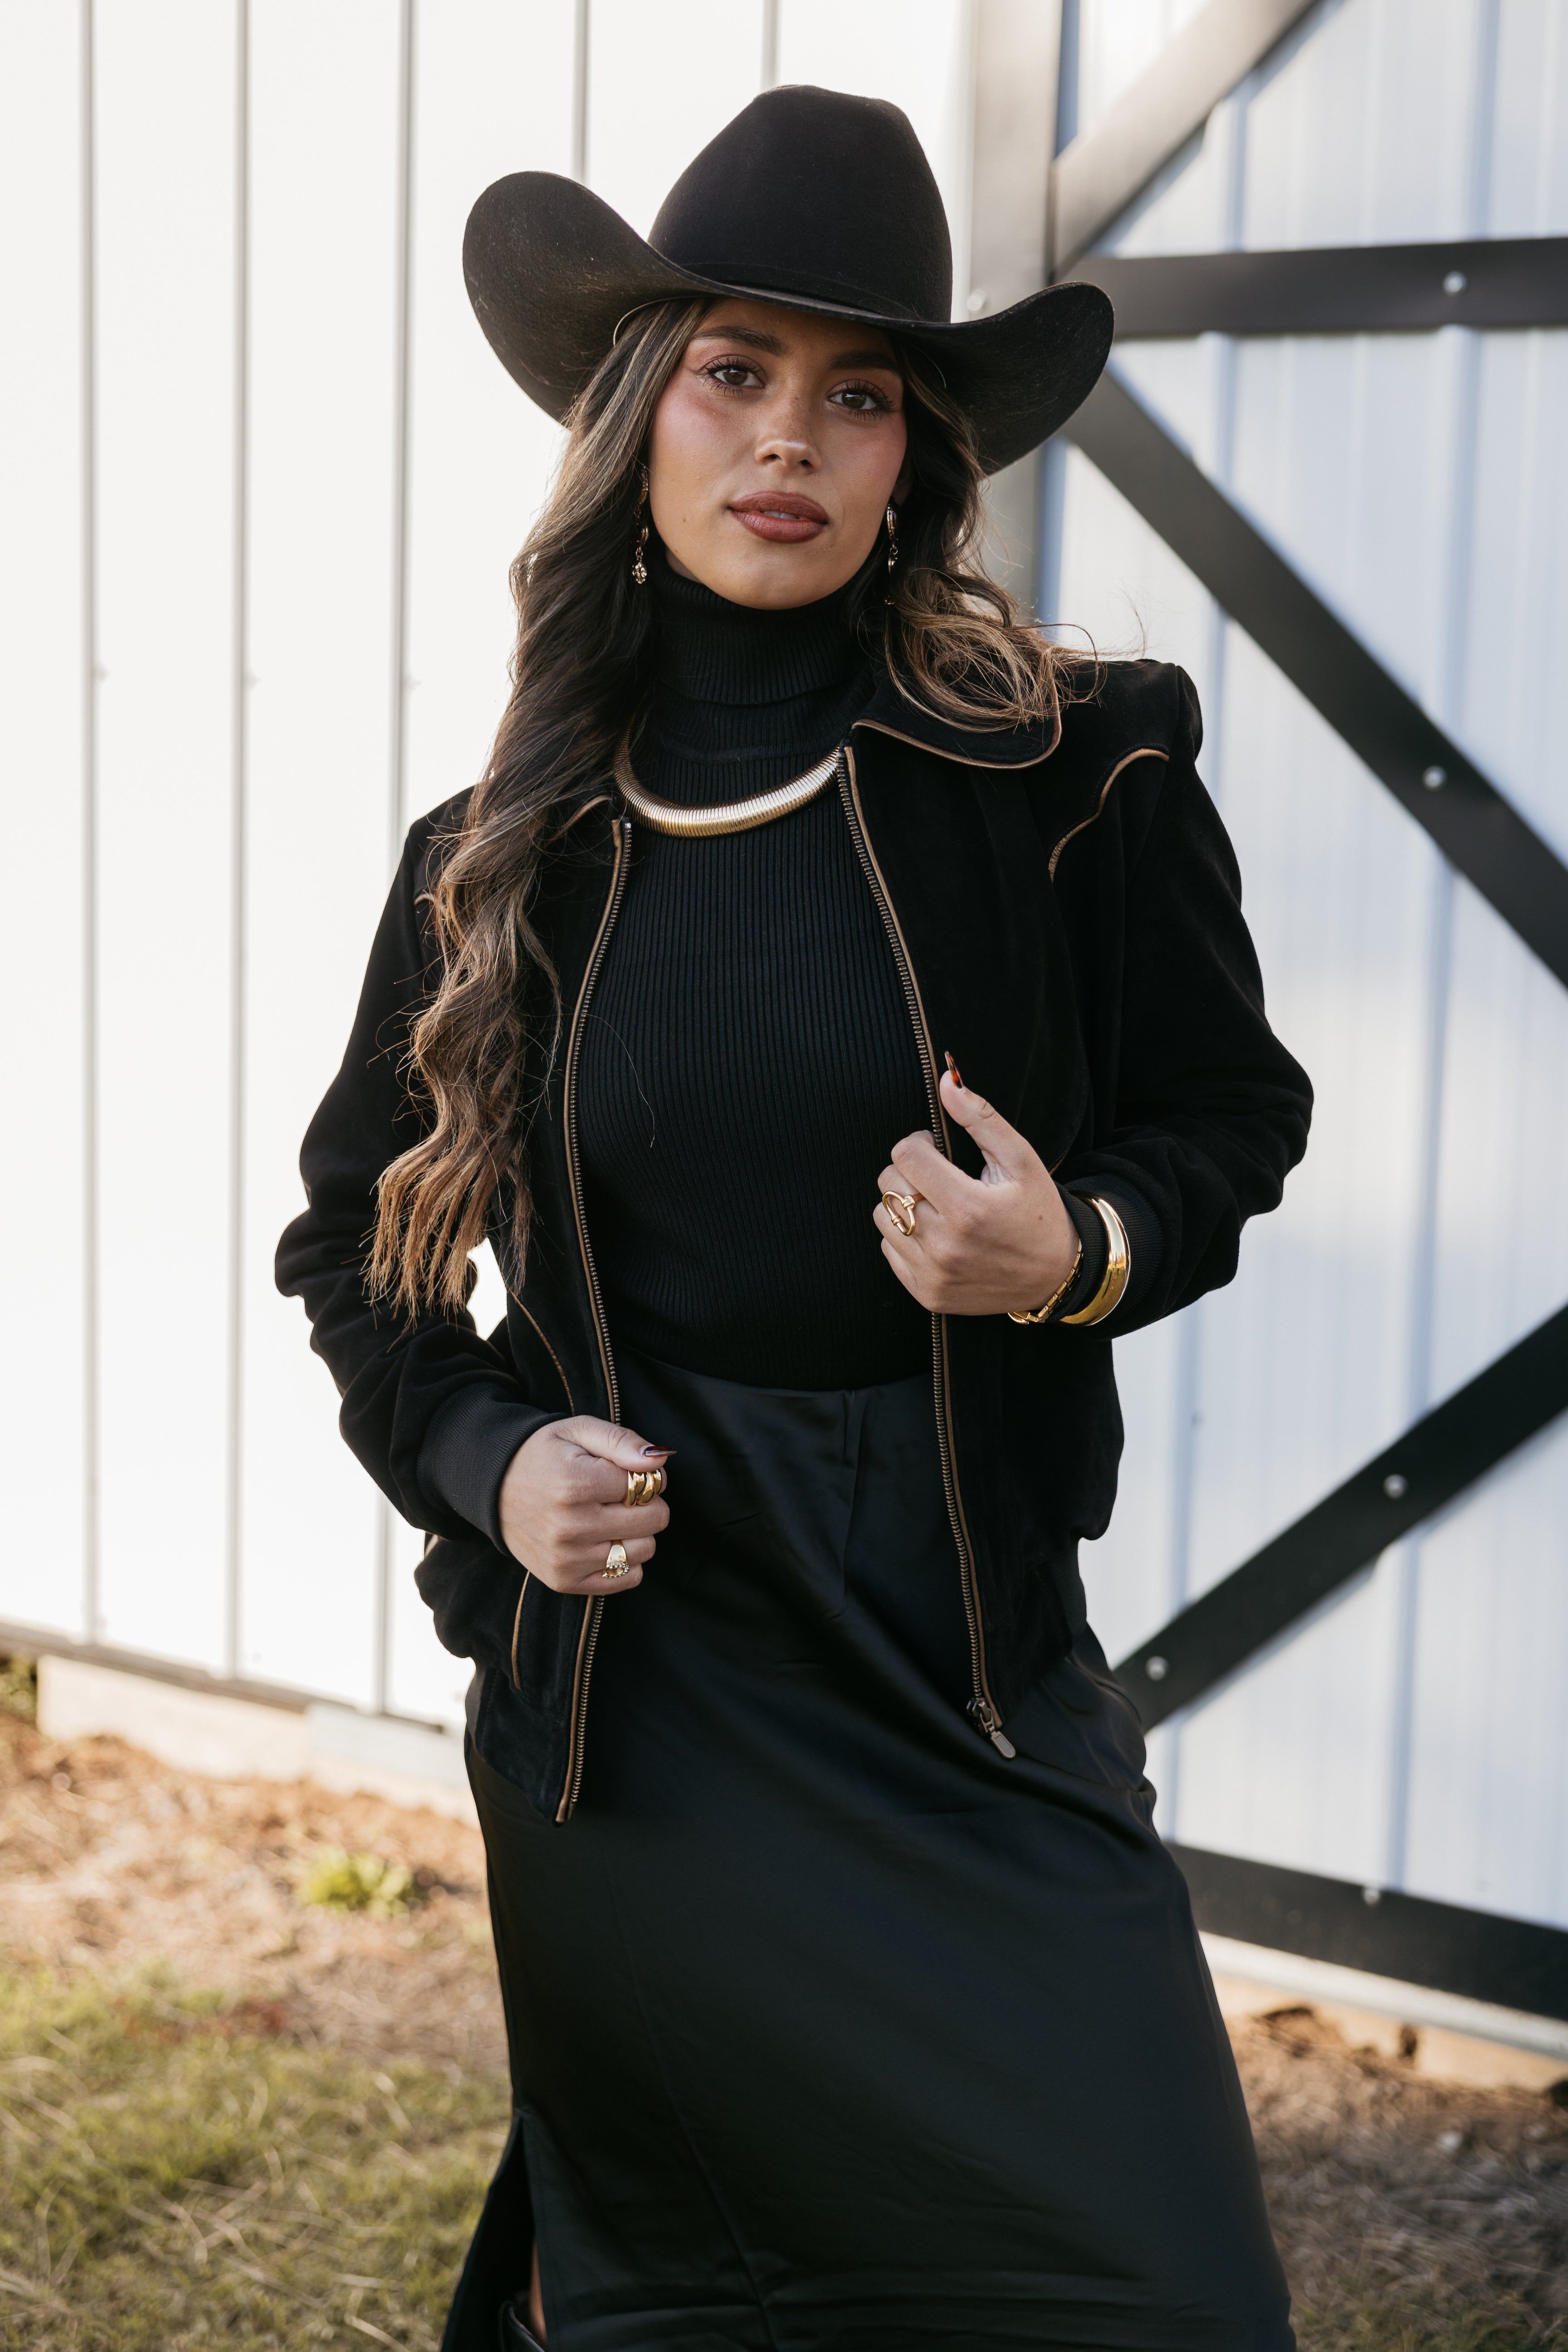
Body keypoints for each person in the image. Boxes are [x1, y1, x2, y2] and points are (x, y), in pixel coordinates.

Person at [278, 84, 1311, 2352]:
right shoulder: (496, 852)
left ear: (915, 455)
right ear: (635, 414)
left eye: (861, 395)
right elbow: (358, 1249)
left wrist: (1078, 1250)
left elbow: (1233, 1114)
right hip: (643, 1693)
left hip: (963, 1664)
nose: (789, 439)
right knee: (693, 2298)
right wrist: (490, 1458)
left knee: (1170, 2295)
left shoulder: (1082, 764)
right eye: (734, 372)